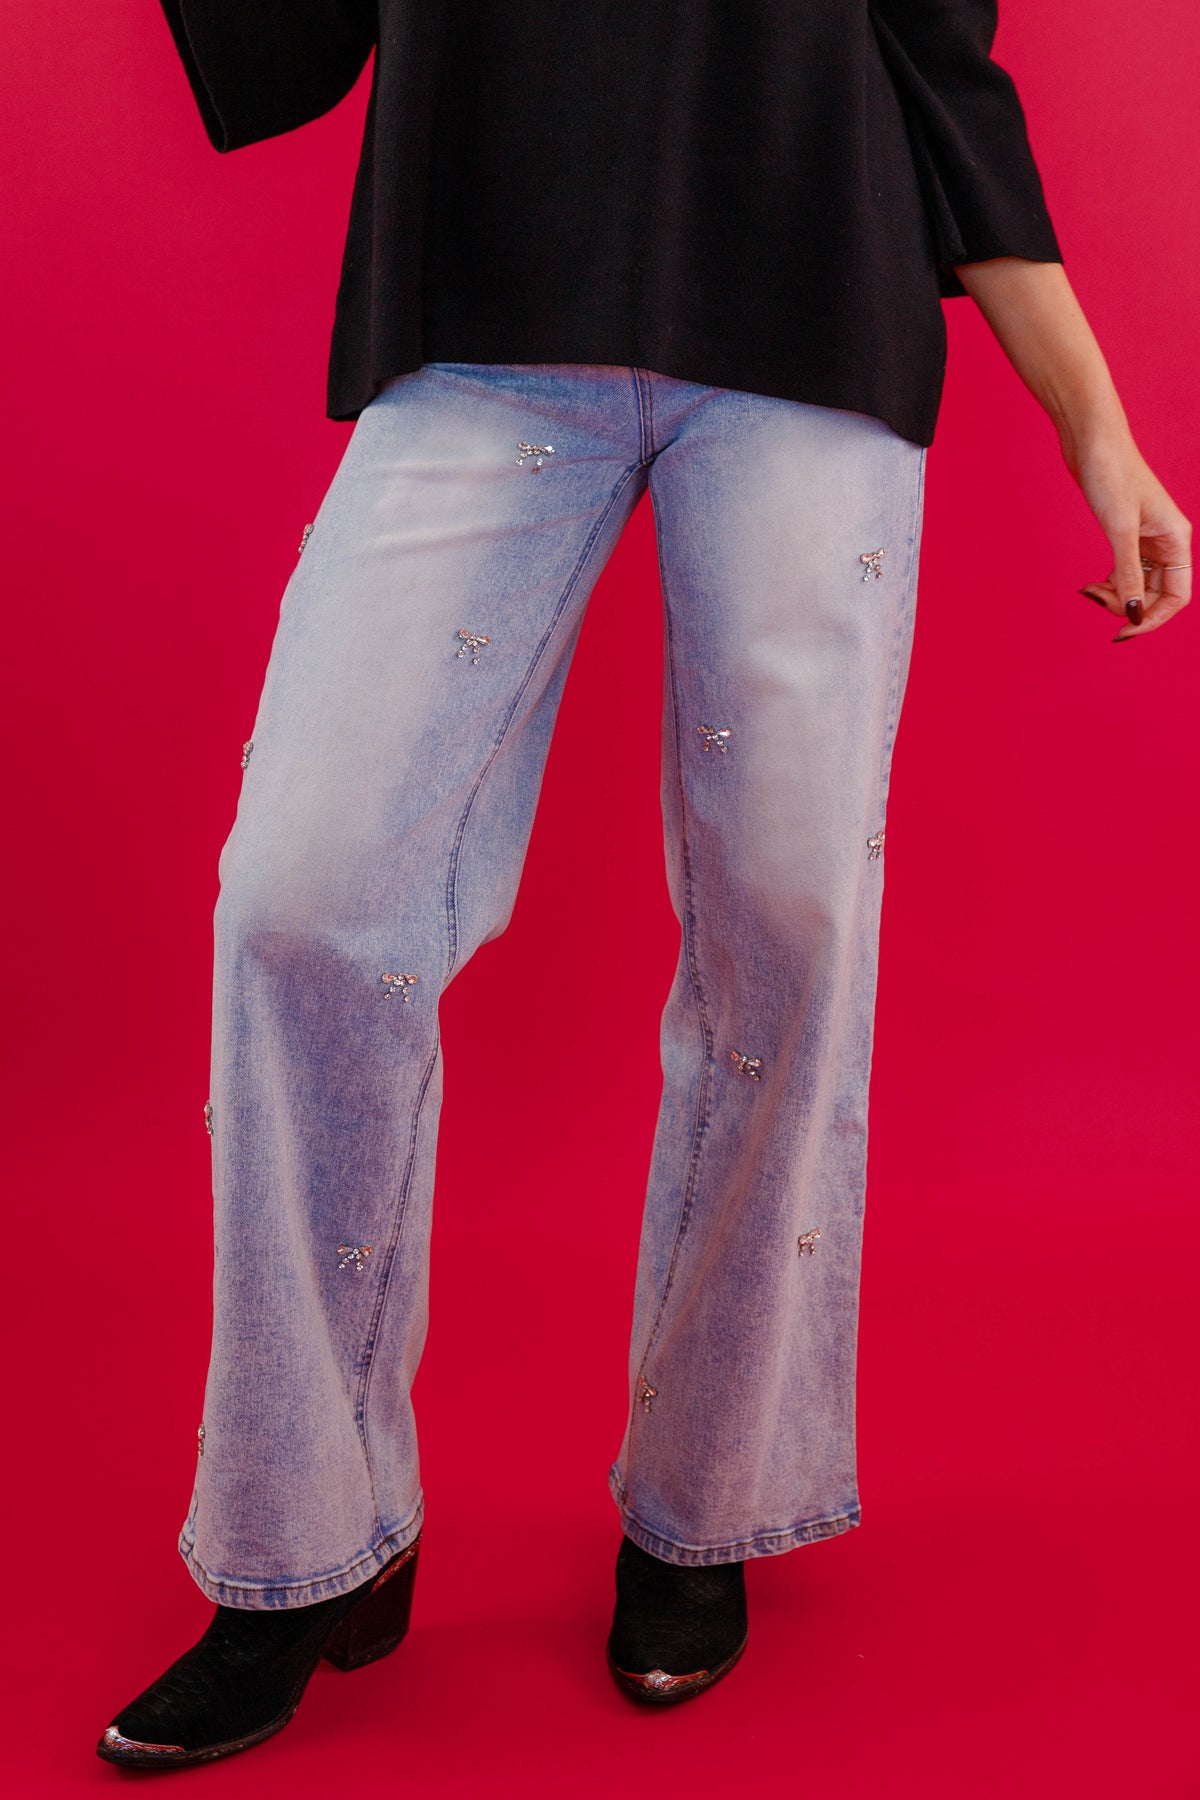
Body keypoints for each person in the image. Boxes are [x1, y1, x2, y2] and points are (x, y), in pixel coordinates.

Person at [98, 0, 1190, 1770]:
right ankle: (306, 1537)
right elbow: (285, 48)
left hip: (809, 323)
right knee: (300, 897)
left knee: (791, 926)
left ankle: (705, 1507)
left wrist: (1098, 425)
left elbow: (941, 67)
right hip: (483, 318)